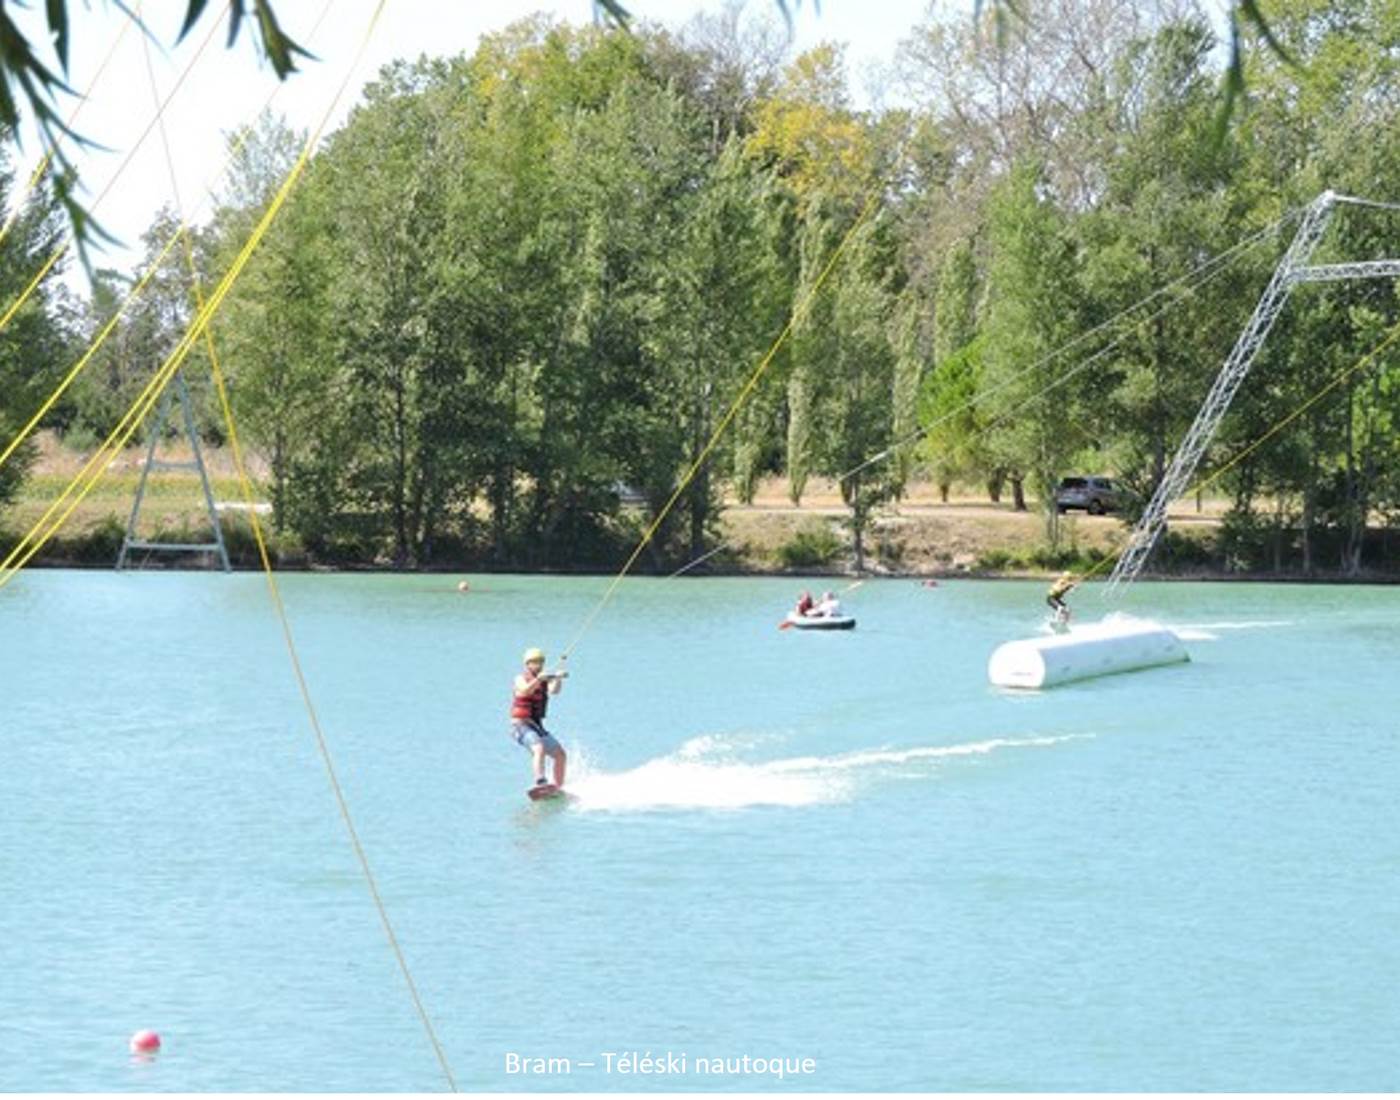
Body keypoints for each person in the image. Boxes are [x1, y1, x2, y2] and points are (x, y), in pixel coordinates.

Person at [510, 647, 567, 789]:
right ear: (527, 664)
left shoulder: (544, 679)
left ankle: (558, 787)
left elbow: (555, 691)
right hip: (520, 726)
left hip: (536, 725)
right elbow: (524, 690)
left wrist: (558, 678)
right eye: (534, 662)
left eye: (541, 662)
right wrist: (538, 679)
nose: (538, 665)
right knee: (538, 748)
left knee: (561, 754)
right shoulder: (520, 679)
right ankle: (540, 781)